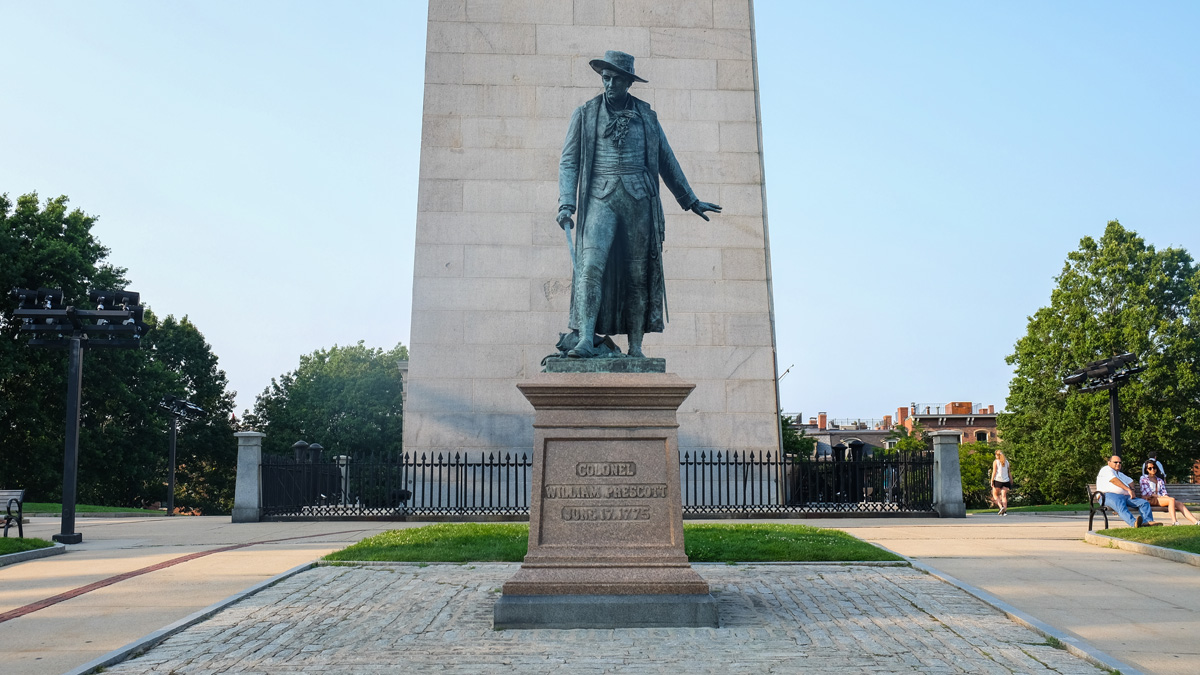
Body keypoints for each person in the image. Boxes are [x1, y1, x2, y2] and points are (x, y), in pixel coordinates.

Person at [557, 50, 721, 358]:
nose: (609, 85)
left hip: (639, 201)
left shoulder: (647, 115)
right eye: (606, 79)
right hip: (599, 200)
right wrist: (566, 203)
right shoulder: (584, 114)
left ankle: (635, 348)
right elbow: (569, 162)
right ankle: (584, 338)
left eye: (616, 80)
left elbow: (666, 160)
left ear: (628, 82)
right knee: (590, 268)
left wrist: (690, 200)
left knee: (638, 275)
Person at [1095, 455, 1157, 528]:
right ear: (1109, 463)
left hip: (1125, 496)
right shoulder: (1106, 469)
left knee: (1144, 503)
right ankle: (1134, 523)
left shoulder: (1119, 474)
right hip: (1107, 495)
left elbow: (1131, 481)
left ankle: (1147, 522)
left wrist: (1132, 490)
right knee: (1121, 505)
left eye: (1120, 462)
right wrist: (1128, 489)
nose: (1118, 464)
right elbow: (1114, 480)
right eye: (1115, 462)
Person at [1139, 459, 1199, 526]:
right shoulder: (1143, 478)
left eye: (1154, 467)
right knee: (1171, 500)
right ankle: (1174, 522)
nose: (1152, 469)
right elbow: (1149, 493)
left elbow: (1164, 492)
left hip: (1159, 499)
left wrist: (1165, 497)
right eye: (1150, 468)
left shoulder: (1159, 480)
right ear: (1146, 470)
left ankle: (1196, 522)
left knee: (1179, 503)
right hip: (1149, 499)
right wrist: (1163, 497)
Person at [991, 449, 1012, 515]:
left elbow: (994, 472)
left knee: (995, 495)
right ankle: (1005, 511)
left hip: (998, 480)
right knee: (1004, 496)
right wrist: (1011, 480)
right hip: (1006, 480)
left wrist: (991, 480)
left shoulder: (996, 462)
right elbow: (1009, 472)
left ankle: (1001, 507)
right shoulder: (1007, 462)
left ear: (997, 455)